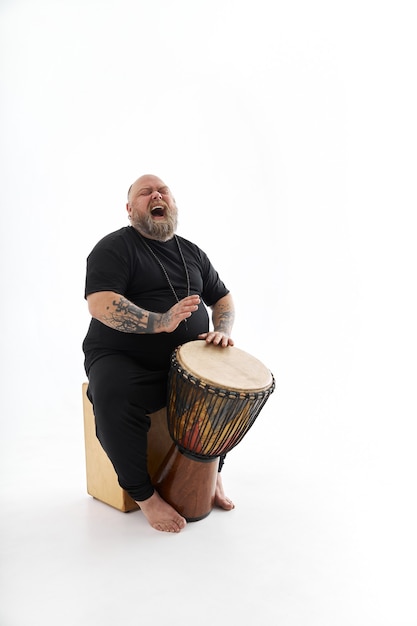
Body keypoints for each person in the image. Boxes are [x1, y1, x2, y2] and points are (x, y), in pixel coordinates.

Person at [82, 173, 236, 533]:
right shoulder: (115, 248)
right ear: (130, 208)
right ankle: (144, 495)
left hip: (184, 361)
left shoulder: (192, 252)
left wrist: (222, 331)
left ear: (172, 203)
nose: (156, 194)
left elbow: (223, 298)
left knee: (225, 388)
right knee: (111, 391)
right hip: (122, 358)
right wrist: (160, 322)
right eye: (145, 192)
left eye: (163, 190)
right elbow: (101, 304)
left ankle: (211, 472)